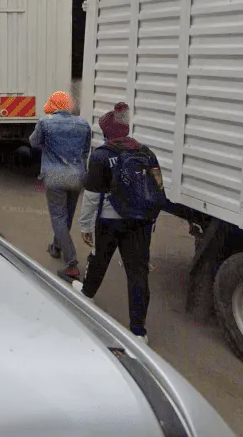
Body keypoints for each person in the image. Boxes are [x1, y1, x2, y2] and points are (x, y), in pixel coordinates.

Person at [75, 102, 165, 336]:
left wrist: (85, 226)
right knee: (137, 272)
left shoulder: (101, 156)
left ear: (107, 132)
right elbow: (158, 187)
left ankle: (86, 296)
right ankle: (138, 331)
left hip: (109, 220)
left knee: (99, 258)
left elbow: (92, 197)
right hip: (140, 221)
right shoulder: (146, 152)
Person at [28, 91, 92, 282]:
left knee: (58, 217)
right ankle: (57, 247)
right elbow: (86, 150)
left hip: (55, 175)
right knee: (67, 215)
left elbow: (33, 142)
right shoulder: (83, 124)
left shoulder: (45, 123)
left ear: (53, 104)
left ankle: (71, 263)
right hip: (76, 175)